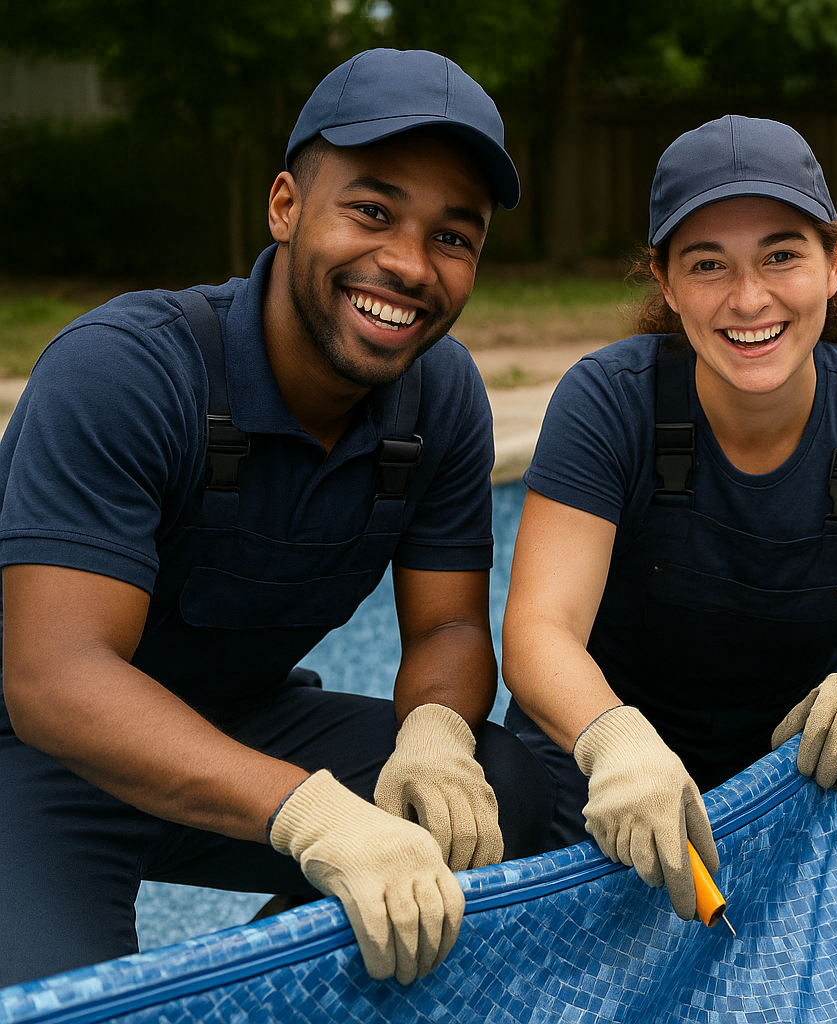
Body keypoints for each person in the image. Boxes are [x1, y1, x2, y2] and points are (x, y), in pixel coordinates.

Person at [0, 49, 557, 987]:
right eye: (372, 212)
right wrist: (318, 817)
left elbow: (452, 624)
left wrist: (434, 733)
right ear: (287, 207)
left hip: (242, 721)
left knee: (501, 791)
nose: (409, 264)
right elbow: (56, 679)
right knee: (63, 1007)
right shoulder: (125, 370)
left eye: (453, 238)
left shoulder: (441, 398)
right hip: (37, 750)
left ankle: (274, 991)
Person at [500, 115, 837, 922]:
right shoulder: (607, 402)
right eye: (709, 265)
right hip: (601, 766)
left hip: (806, 768)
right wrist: (614, 743)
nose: (749, 299)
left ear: (834, 264)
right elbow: (537, 633)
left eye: (782, 255)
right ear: (666, 284)